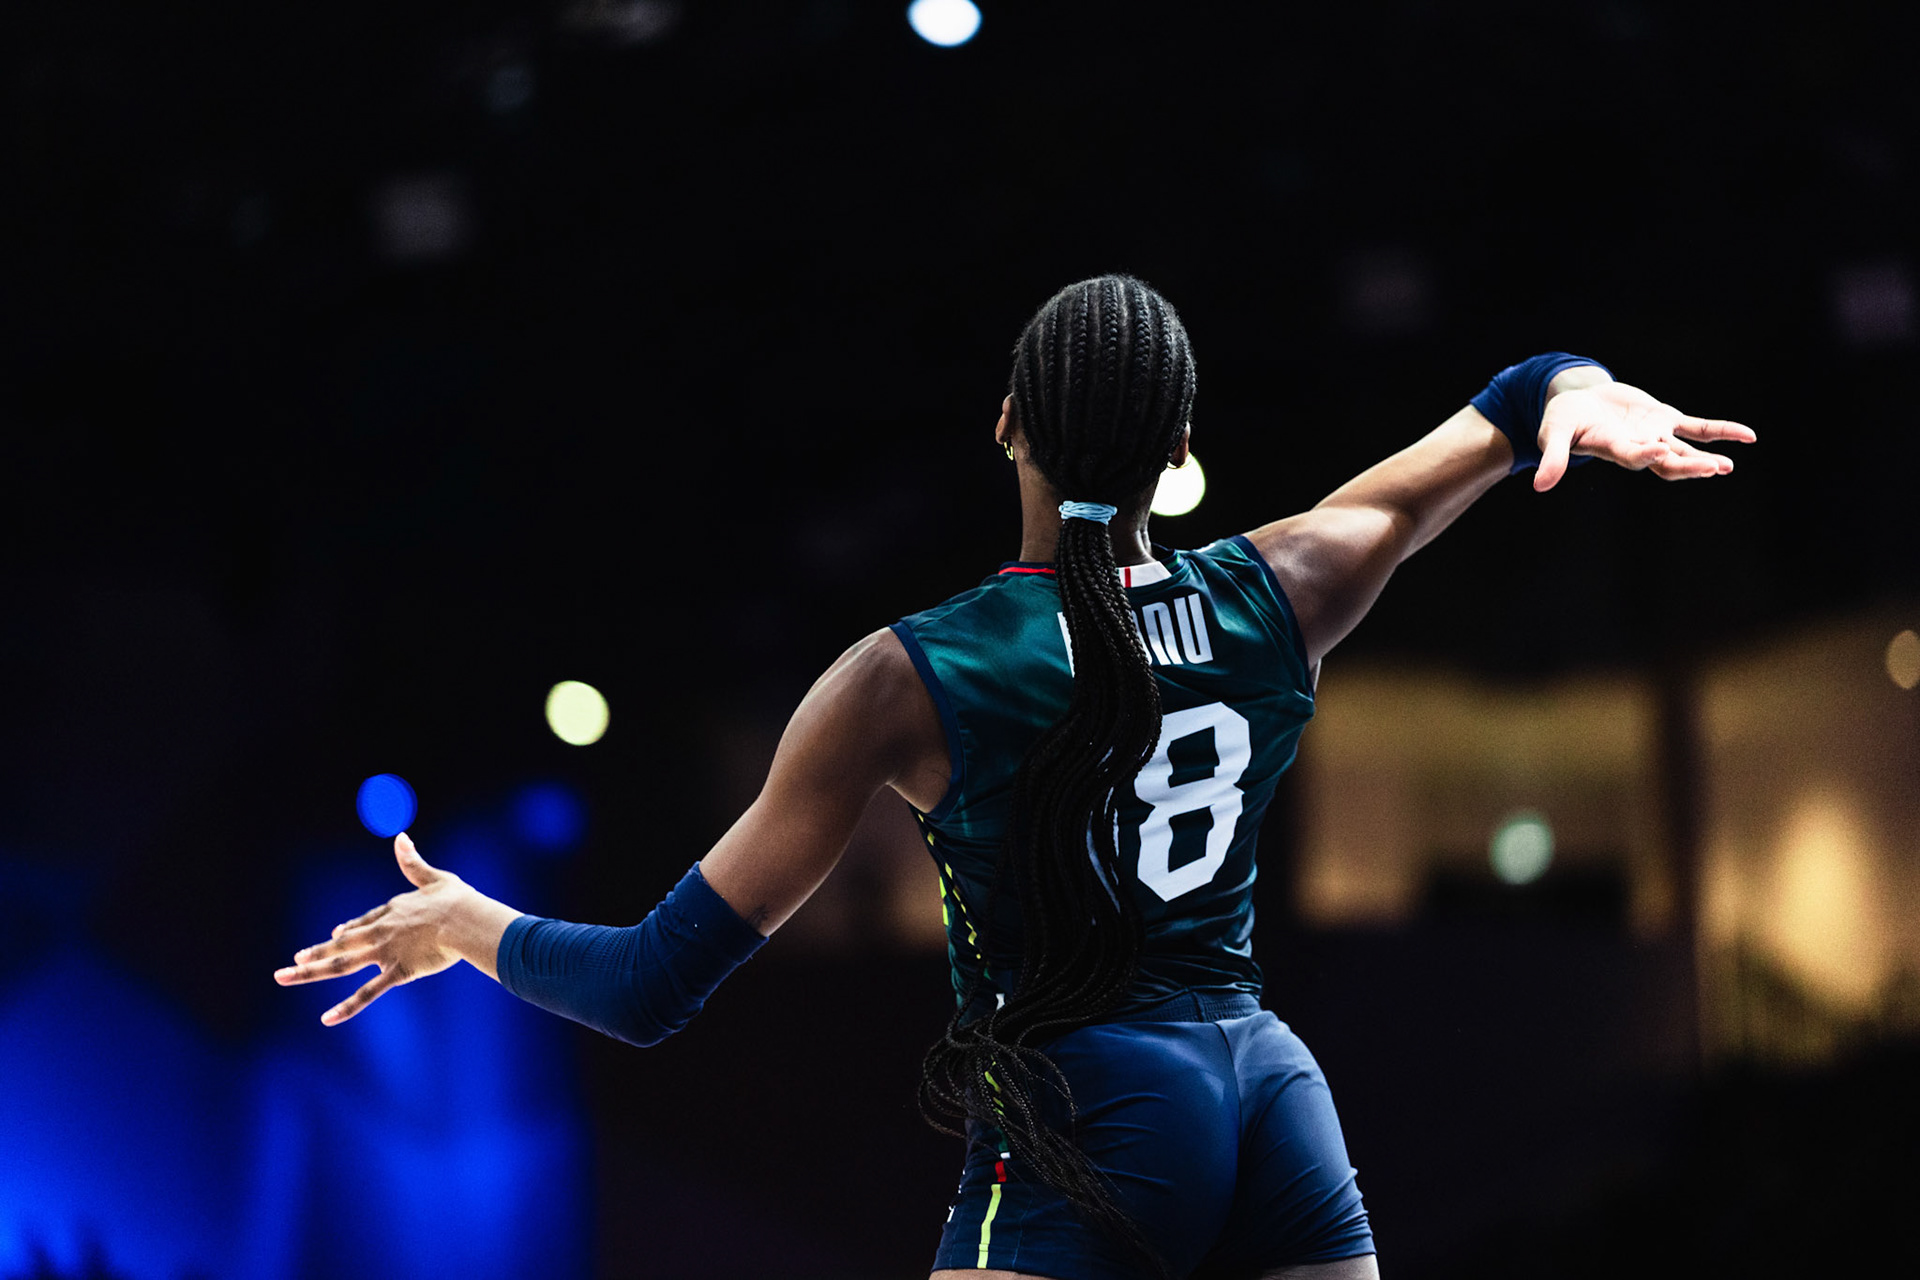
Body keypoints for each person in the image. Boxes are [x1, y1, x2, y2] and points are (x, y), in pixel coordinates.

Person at [274, 275, 1752, 1279]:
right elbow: (1508, 406)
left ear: (1005, 425)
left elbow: (654, 984)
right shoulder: (1292, 582)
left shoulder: (906, 676)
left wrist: (468, 926)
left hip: (1084, 1111)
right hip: (1272, 1098)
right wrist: (1581, 386)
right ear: (1181, 452)